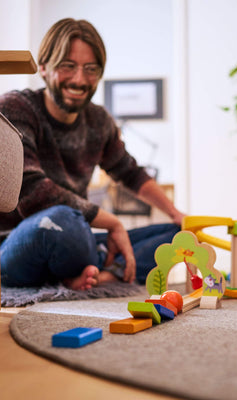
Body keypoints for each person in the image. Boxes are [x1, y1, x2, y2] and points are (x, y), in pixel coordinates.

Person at [0, 18, 185, 290]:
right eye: (67, 66)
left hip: (75, 234)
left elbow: (129, 171)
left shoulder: (99, 121)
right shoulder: (15, 108)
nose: (80, 79)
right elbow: (30, 190)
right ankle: (104, 267)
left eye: (91, 69)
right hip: (16, 242)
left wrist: (176, 213)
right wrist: (112, 224)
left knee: (180, 236)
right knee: (64, 221)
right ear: (43, 67)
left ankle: (93, 270)